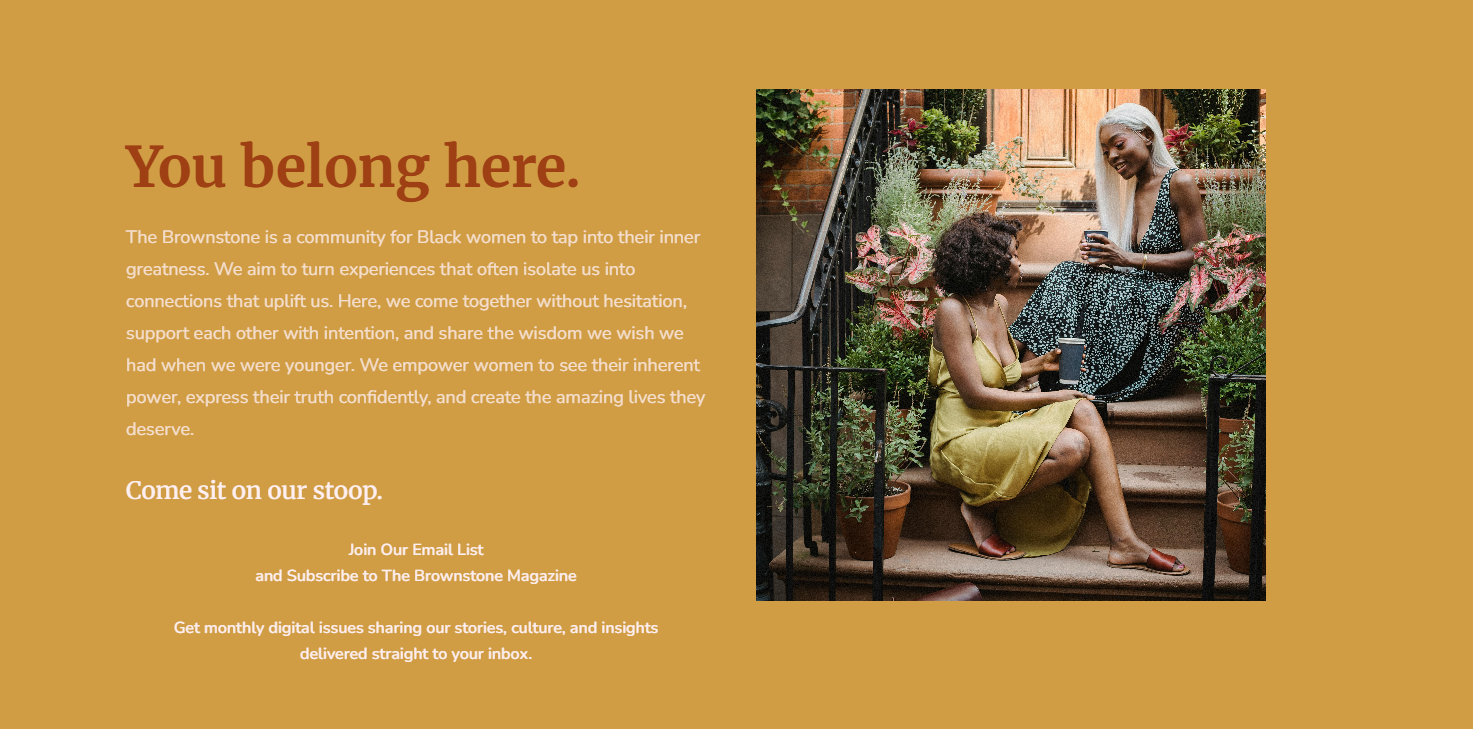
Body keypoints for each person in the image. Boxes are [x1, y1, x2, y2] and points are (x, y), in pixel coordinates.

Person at [928, 211, 1188, 574]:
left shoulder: (999, 306)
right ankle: (980, 507)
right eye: (1014, 254)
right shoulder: (953, 311)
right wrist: (1051, 396)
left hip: (1001, 426)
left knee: (1082, 409)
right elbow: (976, 395)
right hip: (962, 438)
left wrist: (1042, 364)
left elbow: (1006, 375)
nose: (1021, 262)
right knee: (1073, 443)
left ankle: (1124, 541)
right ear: (989, 262)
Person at [1008, 102, 1208, 402]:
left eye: (1118, 144)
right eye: (1106, 152)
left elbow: (1200, 258)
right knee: (1072, 274)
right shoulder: (1134, 189)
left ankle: (1014, 369)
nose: (1112, 157)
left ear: (1147, 136)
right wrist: (1107, 259)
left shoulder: (1179, 182)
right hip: (1141, 291)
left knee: (1068, 276)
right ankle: (1024, 370)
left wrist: (1127, 259)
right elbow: (1132, 265)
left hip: (1172, 301)